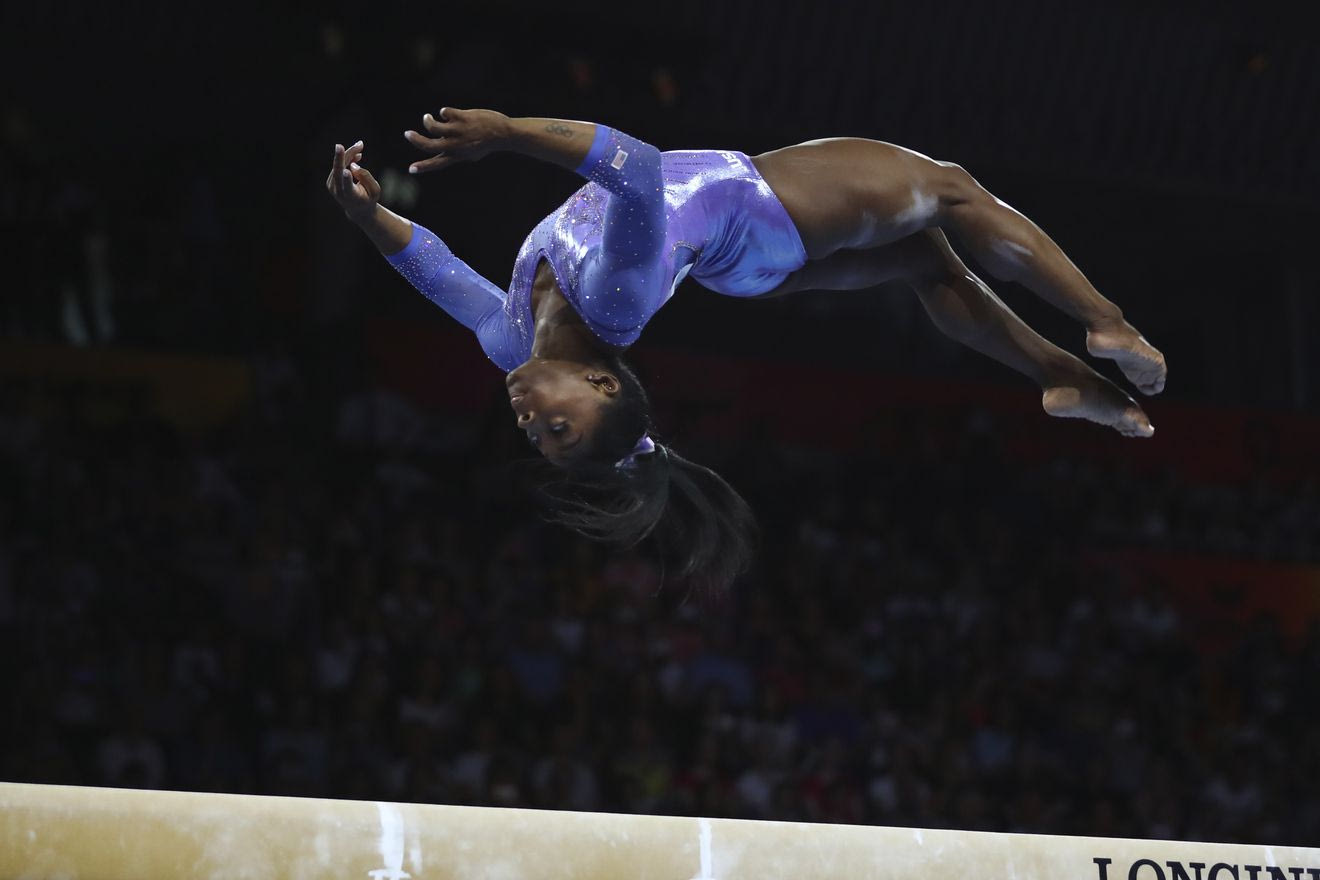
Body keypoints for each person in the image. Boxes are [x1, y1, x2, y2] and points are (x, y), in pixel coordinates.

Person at [324, 109, 1167, 590]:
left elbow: (436, 273)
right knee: (948, 187)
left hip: (737, 263)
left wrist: (366, 215)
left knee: (922, 258)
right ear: (601, 384)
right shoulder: (613, 298)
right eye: (562, 429)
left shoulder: (512, 343)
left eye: (541, 438)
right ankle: (1105, 321)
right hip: (764, 208)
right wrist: (509, 131)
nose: (533, 425)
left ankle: (1064, 375)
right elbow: (639, 168)